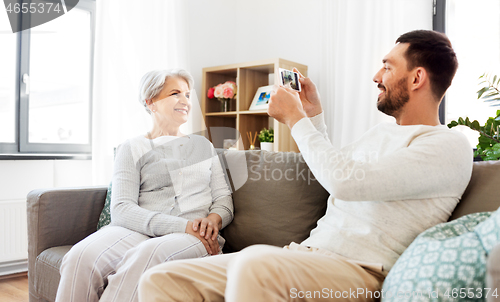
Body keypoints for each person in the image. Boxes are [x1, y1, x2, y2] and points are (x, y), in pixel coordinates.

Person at [137, 30, 472, 302]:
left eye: (387, 66)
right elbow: (335, 172)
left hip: (362, 273)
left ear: (416, 78)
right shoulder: (382, 133)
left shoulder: (447, 146)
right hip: (306, 256)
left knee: (256, 264)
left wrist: (296, 119)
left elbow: (347, 182)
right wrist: (314, 117)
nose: (376, 76)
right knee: (163, 279)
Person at [55, 69, 233, 302]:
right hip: (140, 230)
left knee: (146, 255)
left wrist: (212, 221)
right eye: (175, 93)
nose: (185, 101)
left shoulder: (203, 146)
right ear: (151, 102)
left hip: (194, 235)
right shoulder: (131, 148)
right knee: (80, 256)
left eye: (188, 95)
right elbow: (121, 208)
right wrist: (182, 225)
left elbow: (223, 199)